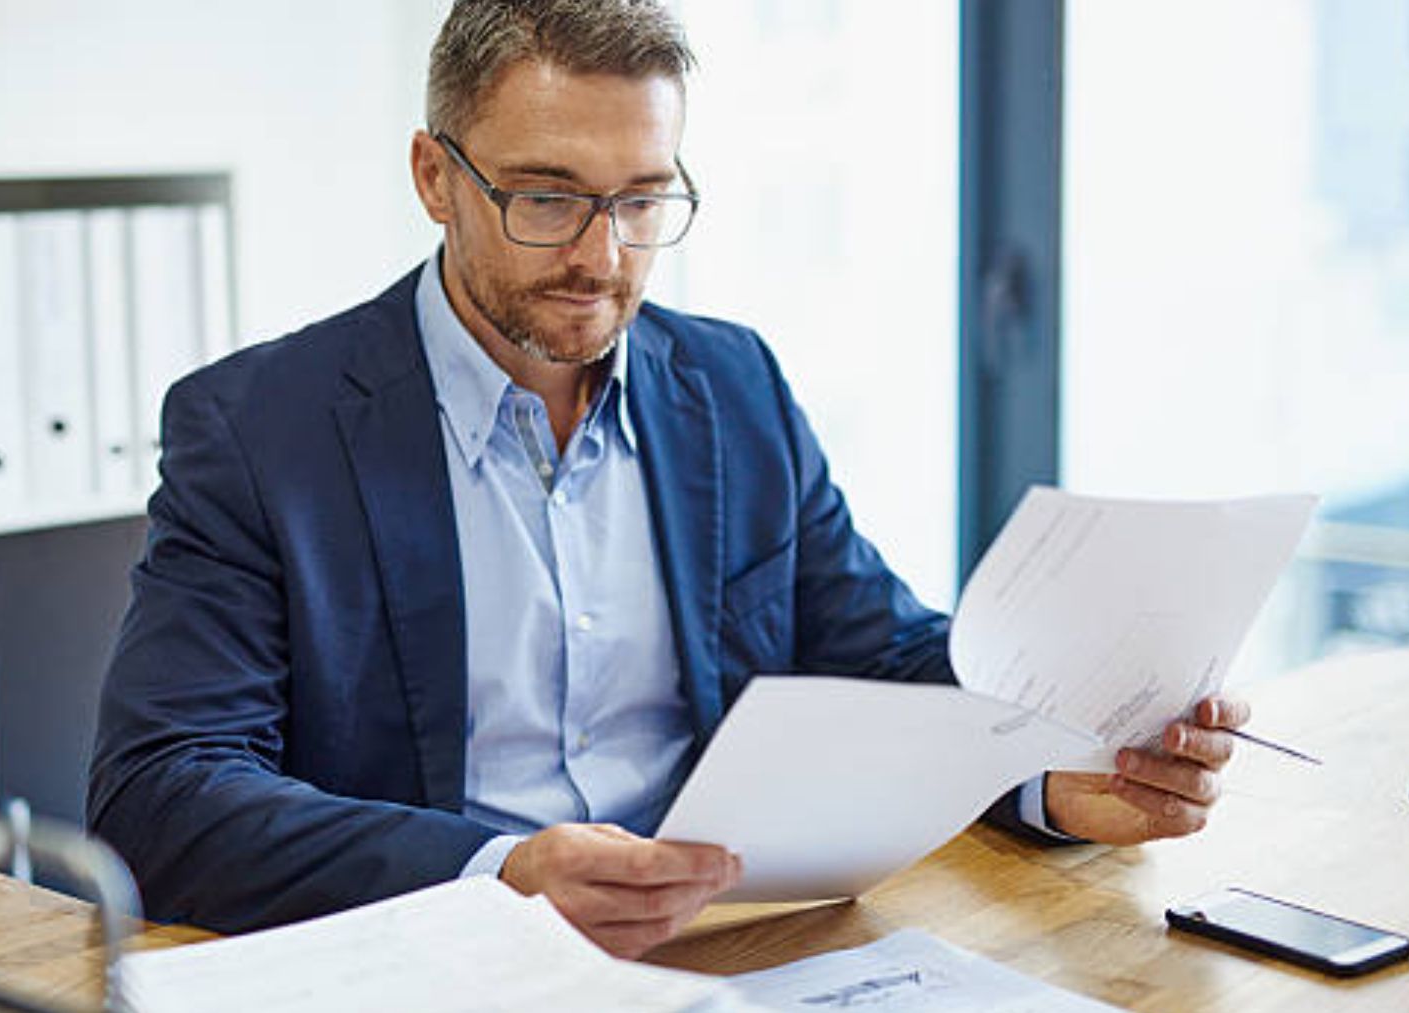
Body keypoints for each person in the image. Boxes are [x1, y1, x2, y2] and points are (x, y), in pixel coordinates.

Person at [87, 0, 1250, 960]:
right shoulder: (257, 430)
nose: (603, 257)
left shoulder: (732, 384)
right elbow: (163, 791)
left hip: (720, 951)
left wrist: (1052, 775)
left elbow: (881, 655)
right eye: (547, 198)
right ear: (435, 178)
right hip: (443, 960)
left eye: (644, 200)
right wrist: (498, 871)